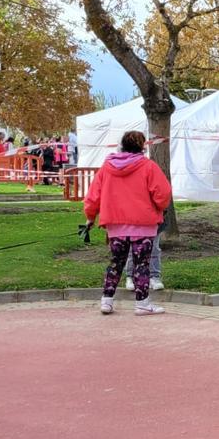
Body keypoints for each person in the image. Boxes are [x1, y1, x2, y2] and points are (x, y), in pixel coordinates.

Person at [83, 130, 171, 316]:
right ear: (142, 146)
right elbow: (163, 194)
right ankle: (142, 303)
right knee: (142, 265)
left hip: (116, 226)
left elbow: (93, 195)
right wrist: (159, 207)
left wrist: (90, 217)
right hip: (144, 225)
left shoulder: (107, 167)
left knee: (116, 263)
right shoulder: (149, 167)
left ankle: (106, 301)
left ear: (121, 144)